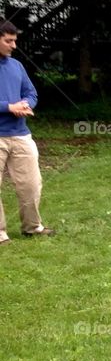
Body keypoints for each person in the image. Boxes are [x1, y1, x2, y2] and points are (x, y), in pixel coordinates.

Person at [0, 21, 55, 243]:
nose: (13, 46)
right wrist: (7, 107)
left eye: (15, 41)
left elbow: (31, 92)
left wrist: (25, 103)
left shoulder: (16, 66)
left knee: (31, 183)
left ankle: (32, 227)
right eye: (8, 41)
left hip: (20, 134)